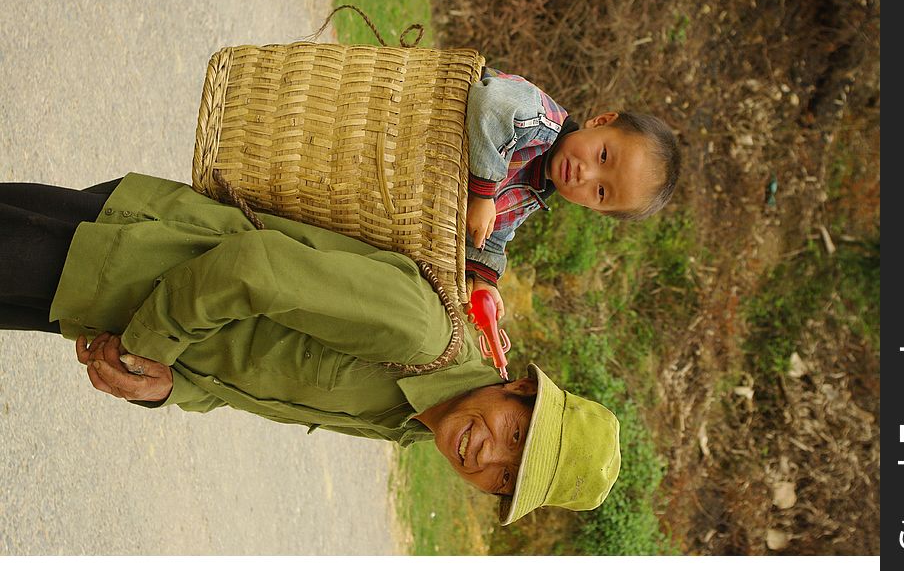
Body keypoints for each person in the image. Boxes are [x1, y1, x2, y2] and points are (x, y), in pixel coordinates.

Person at [0, 173, 621, 525]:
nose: (488, 457)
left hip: (106, 301)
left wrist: (167, 386)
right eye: (516, 434)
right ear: (520, 387)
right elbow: (257, 266)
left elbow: (256, 369)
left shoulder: (409, 421)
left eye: (505, 480)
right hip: (128, 259)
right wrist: (143, 347)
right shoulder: (422, 336)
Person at [464, 69, 681, 320]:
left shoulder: (534, 193)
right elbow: (490, 106)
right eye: (603, 156)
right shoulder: (540, 118)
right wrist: (483, 193)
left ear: (596, 209)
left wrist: (484, 277)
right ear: (601, 121)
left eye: (600, 191)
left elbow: (491, 234)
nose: (585, 174)